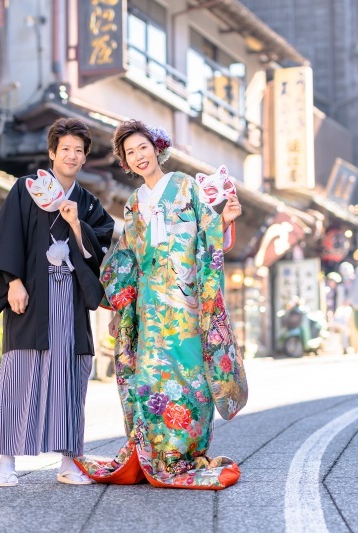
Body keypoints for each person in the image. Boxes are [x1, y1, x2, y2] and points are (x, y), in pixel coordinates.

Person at [75, 120, 244, 490]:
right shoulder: (135, 204)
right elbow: (130, 257)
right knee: (150, 377)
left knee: (191, 377)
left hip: (185, 301)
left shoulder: (185, 185)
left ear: (157, 147)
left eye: (143, 148)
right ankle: (153, 451)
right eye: (130, 152)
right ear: (125, 160)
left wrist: (225, 220)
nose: (139, 157)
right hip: (151, 306)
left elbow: (207, 233)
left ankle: (182, 454)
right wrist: (118, 301)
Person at [0, 117, 115, 487]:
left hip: (68, 299)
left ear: (84, 159)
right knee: (21, 376)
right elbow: (6, 235)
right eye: (65, 149)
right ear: (52, 153)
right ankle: (6, 461)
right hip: (32, 299)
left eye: (78, 151)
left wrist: (76, 225)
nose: (71, 155)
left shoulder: (86, 202)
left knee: (70, 379)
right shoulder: (26, 189)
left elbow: (100, 247)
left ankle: (69, 462)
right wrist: (13, 282)